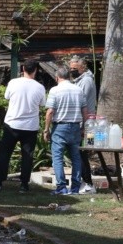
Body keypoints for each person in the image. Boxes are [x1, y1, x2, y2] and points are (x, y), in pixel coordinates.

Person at [0, 60, 46, 193]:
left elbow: (7, 96)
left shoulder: (13, 83)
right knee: (27, 156)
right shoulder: (40, 87)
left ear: (23, 68)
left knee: (5, 154)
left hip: (12, 124)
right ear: (36, 70)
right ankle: (24, 185)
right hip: (30, 127)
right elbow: (42, 104)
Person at [43, 66, 86, 195]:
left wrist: (46, 130)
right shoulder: (79, 90)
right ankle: (75, 187)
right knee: (76, 158)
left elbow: (50, 111)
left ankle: (61, 187)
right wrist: (84, 127)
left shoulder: (55, 90)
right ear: (69, 76)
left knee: (57, 157)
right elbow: (85, 111)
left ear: (57, 77)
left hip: (60, 127)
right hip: (75, 127)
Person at [69, 56, 97, 194]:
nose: (72, 71)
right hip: (83, 122)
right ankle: (83, 181)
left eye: (75, 68)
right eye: (71, 68)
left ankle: (88, 183)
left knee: (83, 152)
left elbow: (81, 102)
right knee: (80, 152)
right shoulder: (79, 80)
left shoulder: (86, 81)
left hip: (87, 123)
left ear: (82, 67)